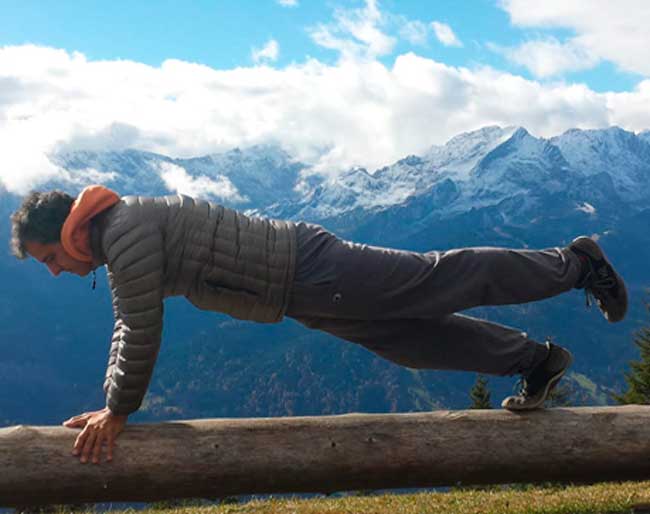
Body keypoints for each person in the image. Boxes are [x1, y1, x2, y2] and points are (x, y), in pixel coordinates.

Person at [9, 185, 627, 465]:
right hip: (297, 289)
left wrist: (116, 408)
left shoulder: (125, 232)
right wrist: (114, 402)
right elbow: (132, 318)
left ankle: (576, 263)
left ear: (67, 231)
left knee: (438, 279)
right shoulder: (123, 232)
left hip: (306, 266)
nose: (58, 272)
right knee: (409, 340)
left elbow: (136, 322)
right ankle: (535, 361)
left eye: (50, 258)